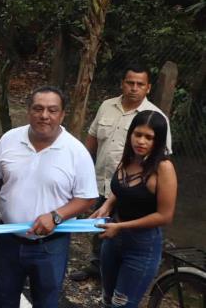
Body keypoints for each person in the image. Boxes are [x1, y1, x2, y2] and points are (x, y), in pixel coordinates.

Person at [0, 86, 98, 308]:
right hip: (7, 239)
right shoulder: (9, 139)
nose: (44, 115)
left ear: (62, 114)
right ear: (28, 111)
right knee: (3, 301)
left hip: (51, 246)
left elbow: (87, 198)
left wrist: (56, 216)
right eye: (38, 108)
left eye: (52, 110)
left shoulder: (76, 152)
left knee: (46, 303)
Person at [71, 64, 172, 281]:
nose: (134, 88)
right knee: (99, 227)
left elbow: (160, 158)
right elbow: (92, 138)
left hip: (134, 190)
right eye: (130, 83)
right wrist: (80, 168)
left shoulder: (156, 117)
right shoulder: (107, 106)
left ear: (148, 87)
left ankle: (122, 274)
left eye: (140, 84)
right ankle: (97, 267)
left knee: (123, 229)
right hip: (103, 181)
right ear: (122, 83)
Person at [91, 110, 177, 307]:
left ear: (159, 140)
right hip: (112, 241)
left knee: (122, 304)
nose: (141, 141)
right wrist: (106, 205)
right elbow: (122, 189)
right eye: (138, 134)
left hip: (142, 247)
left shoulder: (163, 168)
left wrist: (121, 227)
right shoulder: (128, 158)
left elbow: (165, 216)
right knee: (107, 300)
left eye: (149, 137)